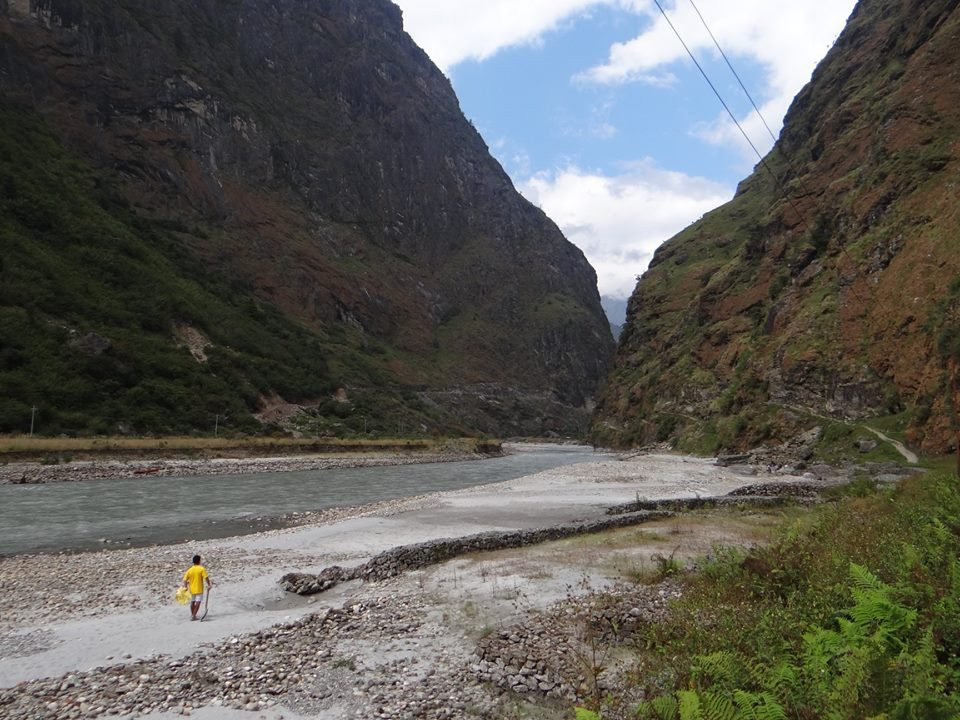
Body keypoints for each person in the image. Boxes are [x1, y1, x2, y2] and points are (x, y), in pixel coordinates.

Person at [182, 554, 212, 621]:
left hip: (192, 589)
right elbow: (206, 578)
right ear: (199, 561)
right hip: (199, 588)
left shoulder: (190, 570)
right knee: (198, 602)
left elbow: (185, 579)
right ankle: (194, 615)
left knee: (192, 601)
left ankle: (193, 615)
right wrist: (209, 584)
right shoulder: (201, 569)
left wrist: (185, 587)